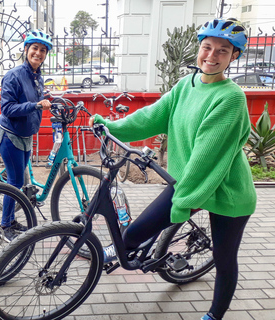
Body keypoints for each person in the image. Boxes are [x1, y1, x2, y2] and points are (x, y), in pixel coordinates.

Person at [90, 18, 256, 320]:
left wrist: (181, 202)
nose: (211, 55)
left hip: (228, 192)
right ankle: (129, 251)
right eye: (207, 47)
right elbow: (149, 117)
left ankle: (214, 315)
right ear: (199, 48)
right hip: (190, 181)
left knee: (224, 257)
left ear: (235, 57)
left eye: (223, 50)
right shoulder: (185, 86)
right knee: (134, 234)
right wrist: (111, 126)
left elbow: (206, 158)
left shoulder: (231, 98)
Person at [0, 30, 52, 241]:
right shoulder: (14, 75)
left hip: (26, 136)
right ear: (26, 49)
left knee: (18, 182)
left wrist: (46, 100)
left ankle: (10, 220)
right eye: (35, 48)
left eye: (43, 50)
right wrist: (36, 105)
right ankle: (5, 225)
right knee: (15, 181)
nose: (38, 53)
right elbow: (8, 108)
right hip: (11, 136)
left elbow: (34, 100)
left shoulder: (37, 76)